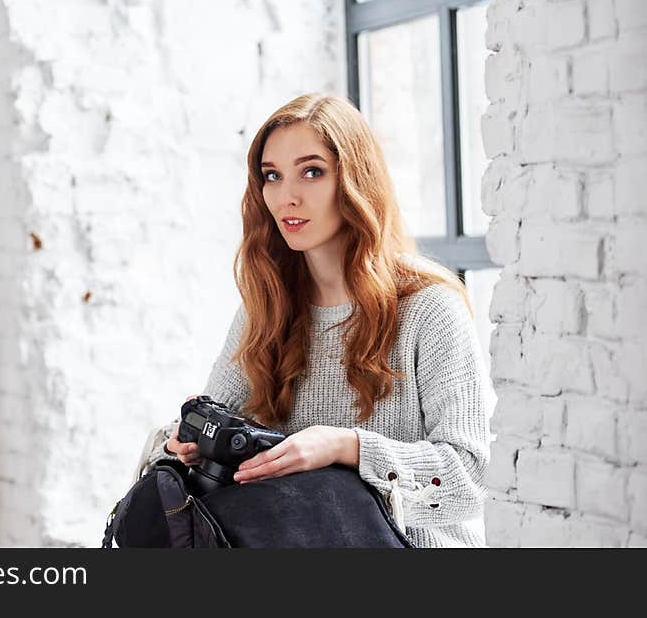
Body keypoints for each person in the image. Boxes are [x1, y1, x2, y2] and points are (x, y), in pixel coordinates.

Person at [144, 93, 495, 548]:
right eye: (272, 176)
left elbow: (471, 480)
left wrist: (344, 448)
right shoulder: (266, 307)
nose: (287, 196)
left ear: (354, 179)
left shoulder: (427, 306)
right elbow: (181, 446)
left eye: (312, 172)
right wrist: (183, 447)